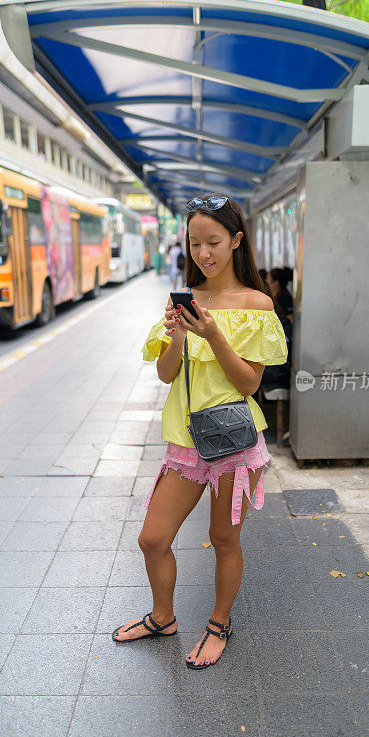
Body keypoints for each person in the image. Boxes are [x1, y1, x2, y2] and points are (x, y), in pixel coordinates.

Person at [112, 193, 288, 668]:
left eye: (213, 242)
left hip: (233, 442)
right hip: (187, 442)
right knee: (153, 538)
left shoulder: (256, 305)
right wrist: (180, 335)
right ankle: (163, 617)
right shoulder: (187, 301)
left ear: (236, 240)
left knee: (224, 539)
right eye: (195, 243)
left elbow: (250, 382)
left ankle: (219, 623)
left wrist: (214, 336)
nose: (204, 254)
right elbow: (167, 374)